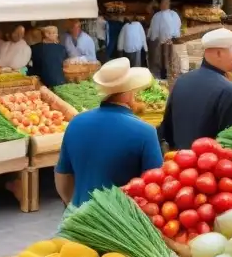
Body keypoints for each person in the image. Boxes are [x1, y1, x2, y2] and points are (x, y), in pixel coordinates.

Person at [55, 58, 163, 206]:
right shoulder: (145, 132)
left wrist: (73, 206)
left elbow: (62, 177)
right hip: (121, 223)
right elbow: (154, 187)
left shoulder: (75, 122)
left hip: (78, 219)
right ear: (127, 94)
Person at [159, 28, 232, 150]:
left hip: (180, 161)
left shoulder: (182, 81)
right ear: (219, 53)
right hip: (209, 164)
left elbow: (167, 129)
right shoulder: (228, 91)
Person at [147, 0, 181, 78]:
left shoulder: (173, 14)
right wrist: (153, 37)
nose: (163, 4)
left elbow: (177, 25)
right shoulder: (157, 15)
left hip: (171, 40)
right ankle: (162, 73)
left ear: (169, 4)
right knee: (161, 58)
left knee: (171, 57)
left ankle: (171, 73)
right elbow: (153, 28)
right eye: (162, 3)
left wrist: (173, 37)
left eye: (165, 3)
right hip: (159, 41)